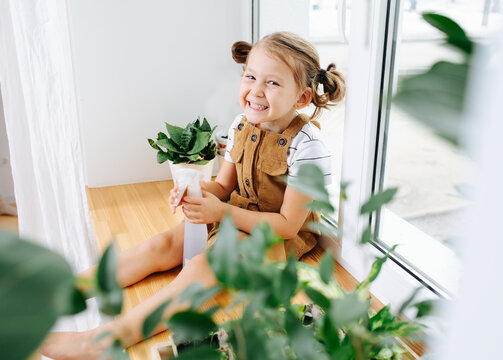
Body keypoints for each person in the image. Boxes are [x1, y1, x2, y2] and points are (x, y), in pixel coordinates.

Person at [40, 31, 346, 359]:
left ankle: (104, 339)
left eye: (272, 83)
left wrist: (220, 213)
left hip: (273, 239)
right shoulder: (242, 124)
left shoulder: (309, 147)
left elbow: (287, 226)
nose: (255, 90)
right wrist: (195, 194)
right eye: (250, 76)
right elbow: (223, 188)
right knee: (161, 245)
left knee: (201, 267)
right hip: (231, 215)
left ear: (301, 98)